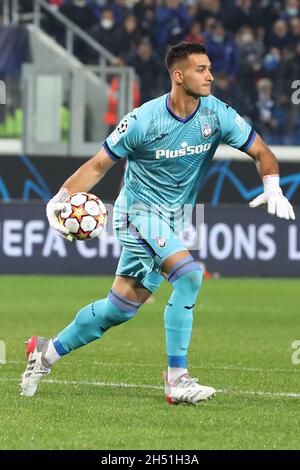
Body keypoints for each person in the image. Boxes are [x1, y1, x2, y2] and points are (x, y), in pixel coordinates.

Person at [20, 42, 295, 404]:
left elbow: (261, 150)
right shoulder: (143, 120)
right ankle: (177, 379)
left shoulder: (217, 115)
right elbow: (100, 165)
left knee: (118, 309)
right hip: (136, 215)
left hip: (173, 221)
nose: (210, 75)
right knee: (190, 275)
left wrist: (272, 186)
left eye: (210, 68)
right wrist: (60, 198)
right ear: (179, 76)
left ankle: (44, 353)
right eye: (201, 69)